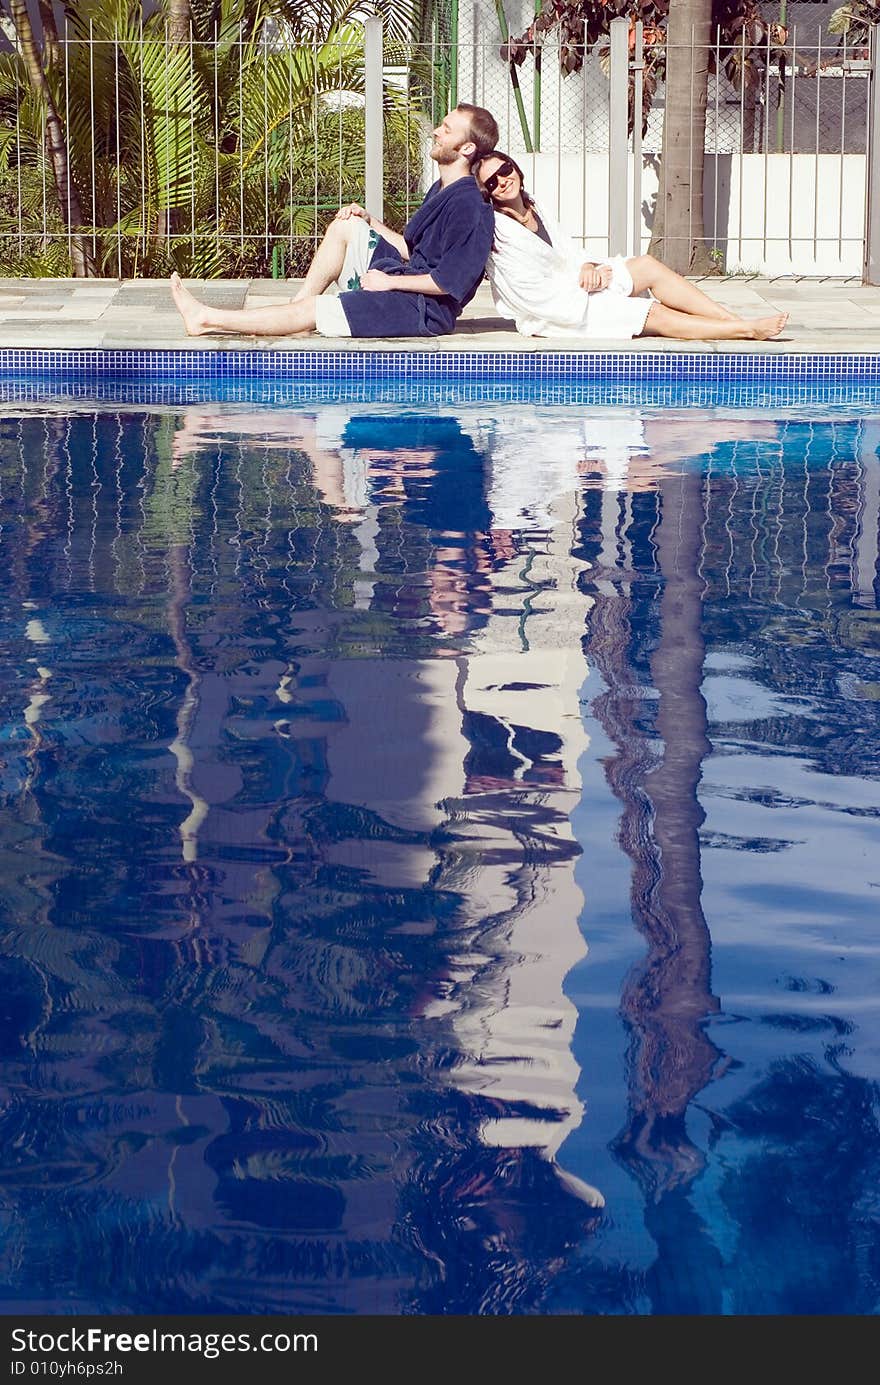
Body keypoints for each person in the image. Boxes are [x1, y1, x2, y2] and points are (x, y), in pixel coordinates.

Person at [170, 104, 498, 340]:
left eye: (446, 129)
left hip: (423, 311)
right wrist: (370, 221)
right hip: (405, 283)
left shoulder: (471, 206)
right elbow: (412, 251)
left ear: (466, 147)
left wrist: (390, 283)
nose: (437, 131)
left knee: (318, 309)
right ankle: (295, 310)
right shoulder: (442, 189)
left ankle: (206, 319)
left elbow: (447, 281)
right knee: (347, 226)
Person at [474, 151, 789, 343]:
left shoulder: (534, 205)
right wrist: (583, 287)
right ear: (488, 193)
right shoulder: (500, 232)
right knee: (651, 313)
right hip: (562, 311)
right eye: (492, 182)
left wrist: (588, 267)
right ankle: (745, 331)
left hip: (580, 284)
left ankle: (730, 319)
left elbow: (567, 252)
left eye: (505, 170)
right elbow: (531, 293)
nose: (502, 181)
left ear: (515, 169)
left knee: (648, 266)